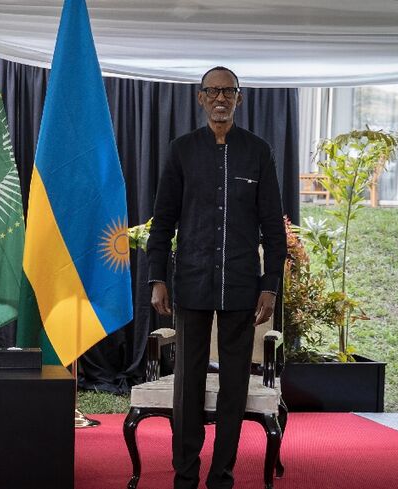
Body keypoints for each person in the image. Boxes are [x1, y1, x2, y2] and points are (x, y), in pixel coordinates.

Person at [146, 66, 286, 489]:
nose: (221, 98)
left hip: (243, 288)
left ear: (239, 99)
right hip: (191, 283)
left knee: (233, 387)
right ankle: (185, 475)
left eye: (228, 91)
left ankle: (221, 475)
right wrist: (158, 277)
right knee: (187, 385)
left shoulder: (257, 152)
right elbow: (163, 221)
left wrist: (270, 285)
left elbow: (273, 229)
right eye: (213, 91)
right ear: (200, 97)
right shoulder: (182, 150)